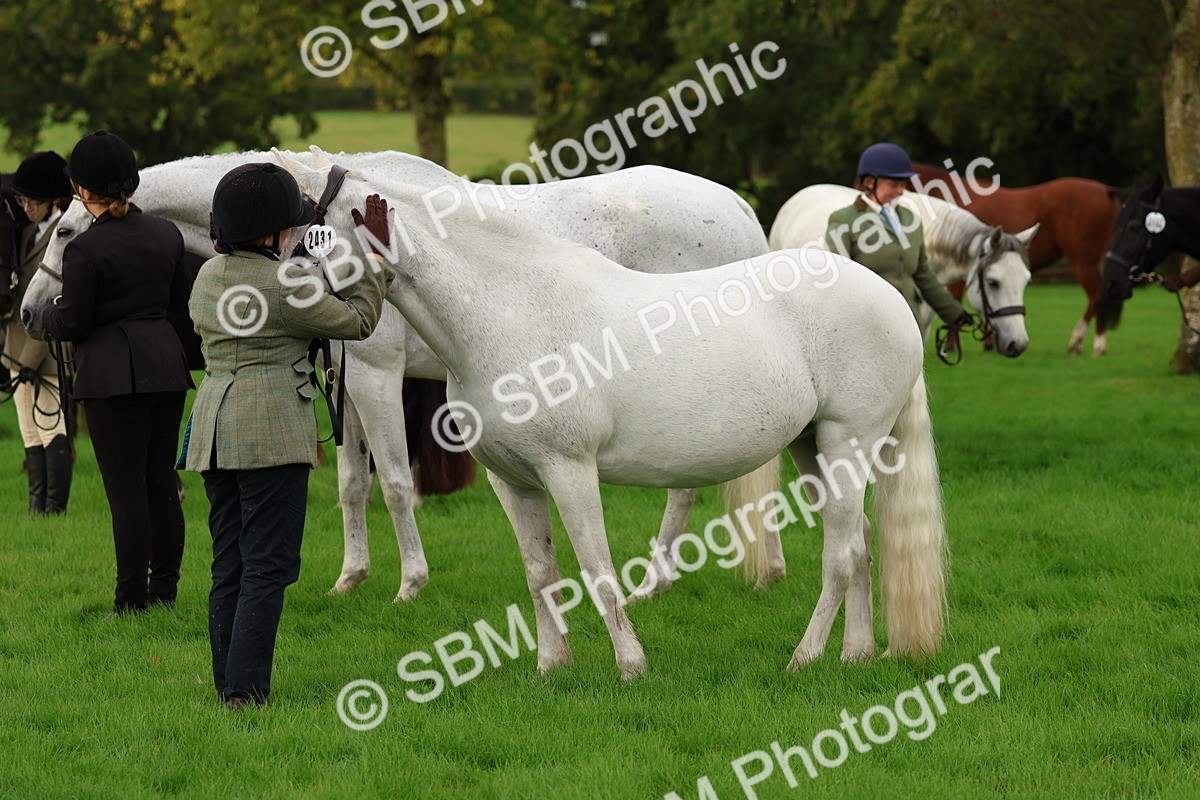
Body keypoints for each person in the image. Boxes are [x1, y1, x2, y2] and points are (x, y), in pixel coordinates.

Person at [185, 163, 392, 709]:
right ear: (272, 232)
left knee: (229, 560)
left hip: (213, 429)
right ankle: (246, 693)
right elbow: (358, 321)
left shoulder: (207, 277)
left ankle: (228, 681)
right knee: (269, 565)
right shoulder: (288, 284)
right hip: (270, 432)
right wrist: (373, 257)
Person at [43, 131, 192, 614]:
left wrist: (52, 314)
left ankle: (130, 602)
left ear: (85, 192)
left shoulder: (84, 251)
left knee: (126, 493)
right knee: (160, 485)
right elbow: (177, 306)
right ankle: (165, 592)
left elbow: (73, 323)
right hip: (167, 370)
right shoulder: (167, 235)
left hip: (112, 378)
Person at [824, 142, 974, 336]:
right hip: (869, 325)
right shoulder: (844, 220)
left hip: (911, 323)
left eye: (903, 185)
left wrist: (953, 313)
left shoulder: (912, 220)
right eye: (894, 185)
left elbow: (923, 275)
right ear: (870, 182)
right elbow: (840, 281)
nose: (900, 191)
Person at [4, 152, 73, 513]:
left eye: (34, 201)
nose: (26, 207)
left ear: (55, 201)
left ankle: (55, 506)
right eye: (23, 200)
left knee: (50, 425)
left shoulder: (65, 236)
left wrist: (29, 356)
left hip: (46, 350)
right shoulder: (29, 232)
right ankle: (37, 506)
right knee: (28, 430)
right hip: (16, 345)